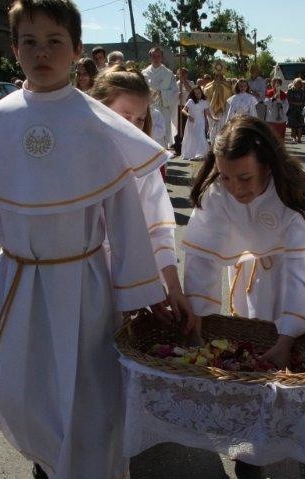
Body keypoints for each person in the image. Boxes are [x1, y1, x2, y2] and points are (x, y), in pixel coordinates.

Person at [0, 0, 167, 479]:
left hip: (84, 279)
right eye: (30, 42)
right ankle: (49, 459)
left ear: (77, 50)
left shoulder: (97, 123)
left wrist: (135, 295)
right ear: (14, 50)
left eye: (55, 41)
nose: (42, 52)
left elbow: (125, 214)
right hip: (16, 277)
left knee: (87, 386)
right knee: (20, 389)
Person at [183, 115, 305, 369]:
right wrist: (197, 327)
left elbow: (302, 278)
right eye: (226, 177)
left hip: (293, 268)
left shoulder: (293, 197)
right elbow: (201, 261)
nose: (236, 188)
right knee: (250, 339)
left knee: (295, 358)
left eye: (245, 178)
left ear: (267, 166)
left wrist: (286, 342)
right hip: (253, 264)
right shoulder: (216, 191)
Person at [88, 65, 194, 328]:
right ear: (98, 109)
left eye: (139, 119)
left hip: (122, 276)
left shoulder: (144, 166)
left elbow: (157, 232)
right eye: (124, 116)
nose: (132, 126)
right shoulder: (74, 154)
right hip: (76, 275)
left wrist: (172, 287)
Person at [141, 46, 176, 148]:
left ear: (162, 57)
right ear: (150, 57)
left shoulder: (168, 74)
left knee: (162, 132)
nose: (156, 58)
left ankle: (162, 152)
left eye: (158, 56)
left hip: (163, 106)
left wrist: (162, 93)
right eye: (153, 56)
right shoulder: (144, 73)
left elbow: (174, 91)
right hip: (148, 108)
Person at [180, 85, 212, 160]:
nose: (198, 94)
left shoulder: (204, 101)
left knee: (200, 135)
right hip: (191, 122)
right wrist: (188, 115)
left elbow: (208, 113)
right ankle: (192, 154)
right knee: (192, 136)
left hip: (201, 121)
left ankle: (200, 154)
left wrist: (213, 118)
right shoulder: (190, 101)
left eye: (199, 93)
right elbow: (183, 110)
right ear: (193, 94)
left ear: (201, 92)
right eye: (196, 93)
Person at [203, 64, 233, 138]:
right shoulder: (207, 87)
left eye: (220, 75)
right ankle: (213, 146)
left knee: (223, 131)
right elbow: (206, 101)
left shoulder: (228, 86)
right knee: (213, 131)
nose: (219, 76)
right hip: (212, 112)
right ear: (214, 74)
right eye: (217, 75)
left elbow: (229, 100)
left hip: (223, 111)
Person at [174, 66, 193, 152]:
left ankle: (187, 145)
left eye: (184, 73)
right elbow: (171, 95)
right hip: (178, 107)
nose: (182, 75)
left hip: (187, 108)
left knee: (186, 126)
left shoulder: (191, 83)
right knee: (178, 126)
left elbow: (191, 92)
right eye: (180, 73)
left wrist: (184, 81)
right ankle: (177, 145)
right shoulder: (175, 84)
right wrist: (177, 95)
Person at [286, 77, 305, 143]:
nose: (297, 84)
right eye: (296, 83)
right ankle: (294, 138)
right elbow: (288, 100)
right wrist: (295, 103)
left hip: (301, 109)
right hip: (292, 109)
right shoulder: (290, 91)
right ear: (294, 83)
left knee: (300, 125)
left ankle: (299, 138)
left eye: (299, 83)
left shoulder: (302, 91)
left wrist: (301, 104)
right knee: (293, 125)